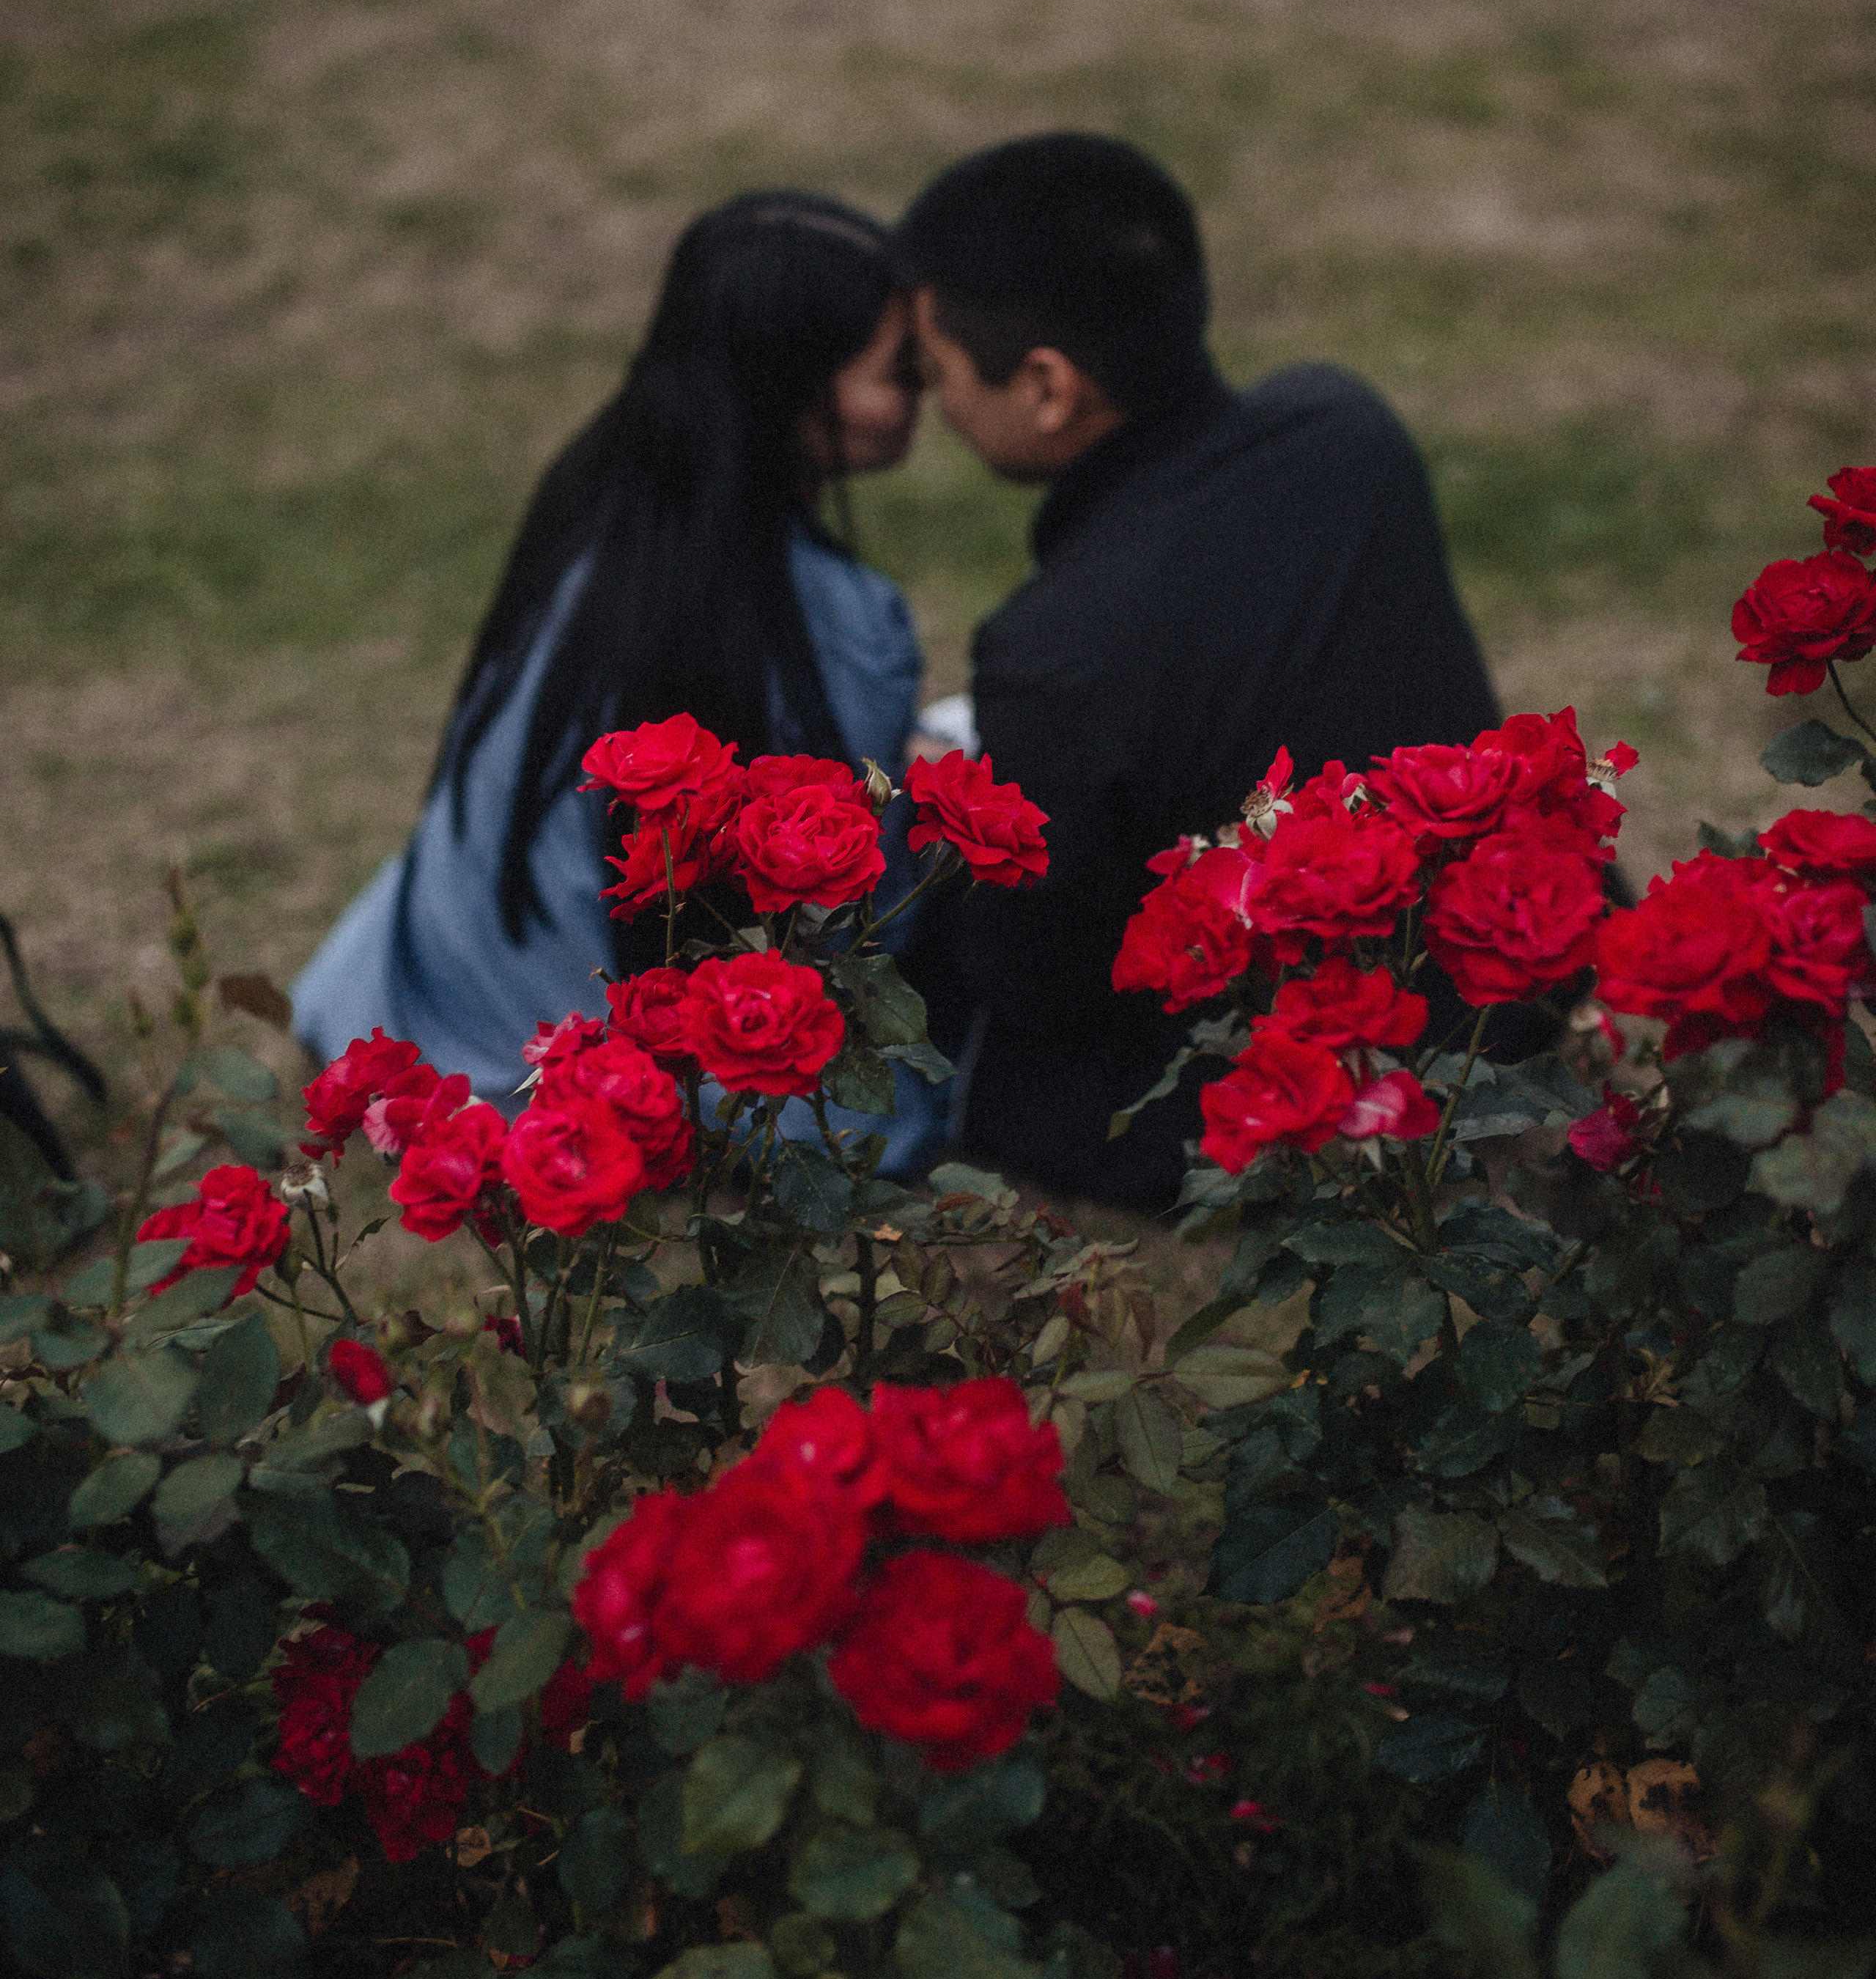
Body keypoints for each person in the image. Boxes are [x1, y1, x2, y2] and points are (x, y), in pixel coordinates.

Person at [898, 130, 1502, 1213]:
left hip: (1296, 1096)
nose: (936, 406)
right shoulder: (1345, 429)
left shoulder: (1058, 648)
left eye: (939, 371)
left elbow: (1031, 973)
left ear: (1046, 387)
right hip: (1495, 990)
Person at [295, 191, 939, 1165]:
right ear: (796, 389)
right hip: (630, 1046)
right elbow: (845, 885)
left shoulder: (606, 495)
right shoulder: (837, 624)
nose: (927, 392)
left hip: (478, 982)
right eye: (903, 371)